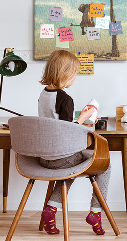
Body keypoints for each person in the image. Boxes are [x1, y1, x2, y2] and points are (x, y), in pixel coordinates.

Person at [38, 50, 111, 235]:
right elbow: (67, 131)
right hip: (61, 157)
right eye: (74, 74)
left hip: (44, 157)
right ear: (65, 74)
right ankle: (96, 212)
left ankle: (51, 210)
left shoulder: (43, 95)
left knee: (69, 169)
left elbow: (56, 124)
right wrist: (84, 118)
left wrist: (81, 120)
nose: (74, 78)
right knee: (104, 164)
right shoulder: (65, 99)